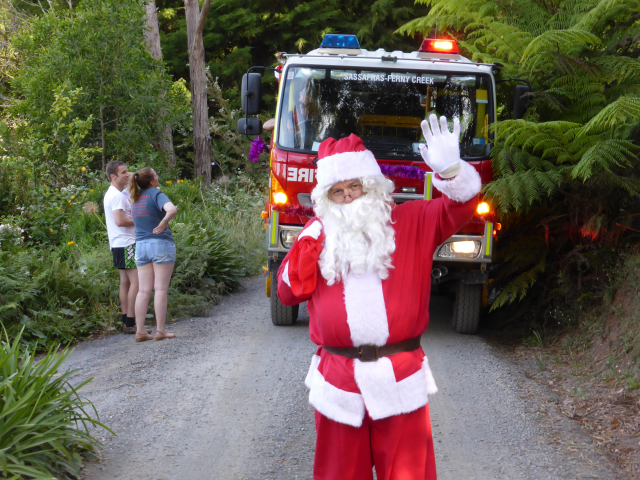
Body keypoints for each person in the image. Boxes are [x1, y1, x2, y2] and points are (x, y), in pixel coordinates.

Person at [277, 114, 482, 480]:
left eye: (354, 186)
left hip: (400, 377)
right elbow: (288, 294)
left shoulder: (412, 220)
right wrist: (308, 243)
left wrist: (452, 171)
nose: (347, 197)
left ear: (371, 186)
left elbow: (461, 207)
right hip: (338, 381)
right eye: (337, 192)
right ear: (326, 198)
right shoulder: (319, 236)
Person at [128, 167, 178, 343]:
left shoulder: (135, 197)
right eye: (156, 175)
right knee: (161, 289)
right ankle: (160, 330)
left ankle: (140, 331)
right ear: (151, 182)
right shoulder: (156, 194)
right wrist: (164, 222)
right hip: (160, 244)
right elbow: (171, 210)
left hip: (140, 246)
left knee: (143, 290)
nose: (158, 177)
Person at [103, 161, 150, 335]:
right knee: (136, 282)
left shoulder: (114, 193)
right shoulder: (117, 196)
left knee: (126, 281)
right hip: (126, 243)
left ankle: (126, 319)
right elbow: (120, 221)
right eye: (123, 172)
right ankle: (131, 322)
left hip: (118, 243)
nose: (127, 174)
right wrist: (141, 219)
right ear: (113, 177)